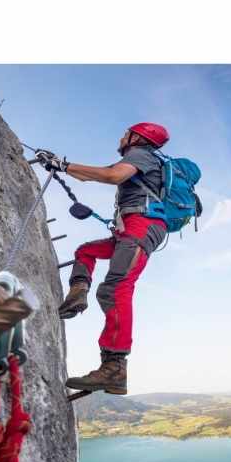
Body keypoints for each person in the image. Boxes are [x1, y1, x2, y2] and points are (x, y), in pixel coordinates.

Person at [38, 122, 170, 396]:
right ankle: (77, 294)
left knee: (116, 287)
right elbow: (96, 176)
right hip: (134, 228)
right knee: (86, 251)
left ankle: (114, 367)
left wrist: (62, 164)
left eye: (126, 133)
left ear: (138, 138)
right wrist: (60, 166)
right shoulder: (143, 159)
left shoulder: (140, 154)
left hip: (140, 227)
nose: (122, 137)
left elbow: (112, 176)